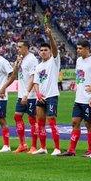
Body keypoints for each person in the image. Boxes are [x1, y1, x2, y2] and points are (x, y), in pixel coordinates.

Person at [25, 24, 61, 156]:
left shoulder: (54, 61)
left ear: (50, 51)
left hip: (51, 95)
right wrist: (38, 93)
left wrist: (50, 35)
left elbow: (56, 50)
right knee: (40, 122)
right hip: (41, 97)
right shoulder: (39, 66)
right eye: (41, 50)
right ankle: (43, 147)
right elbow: (36, 82)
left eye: (46, 50)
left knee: (51, 121)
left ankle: (57, 148)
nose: (43, 52)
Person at [0, 41, 38, 154]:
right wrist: (16, 64)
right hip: (21, 94)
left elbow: (33, 77)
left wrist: (27, 93)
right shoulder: (21, 59)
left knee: (32, 120)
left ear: (26, 48)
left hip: (30, 95)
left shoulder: (32, 59)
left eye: (20, 47)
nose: (18, 49)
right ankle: (23, 145)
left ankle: (34, 146)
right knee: (17, 117)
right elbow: (14, 75)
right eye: (17, 47)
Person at [60, 39, 91, 157]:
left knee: (89, 124)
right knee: (74, 122)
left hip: (89, 99)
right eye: (77, 48)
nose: (78, 50)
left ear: (87, 49)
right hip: (79, 98)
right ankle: (71, 150)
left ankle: (90, 150)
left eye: (80, 48)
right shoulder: (78, 61)